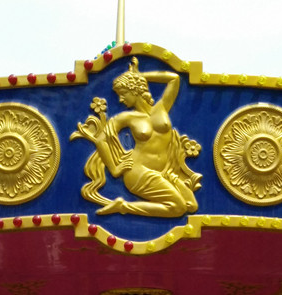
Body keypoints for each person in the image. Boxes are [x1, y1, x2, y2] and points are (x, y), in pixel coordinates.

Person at [72, 58, 202, 217]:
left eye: (123, 94)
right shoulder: (126, 117)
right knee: (178, 208)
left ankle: (123, 205)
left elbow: (174, 79)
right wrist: (114, 169)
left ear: (134, 90)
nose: (120, 99)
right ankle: (123, 206)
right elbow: (101, 140)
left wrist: (140, 75)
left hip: (164, 173)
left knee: (192, 206)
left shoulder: (161, 108)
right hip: (138, 172)